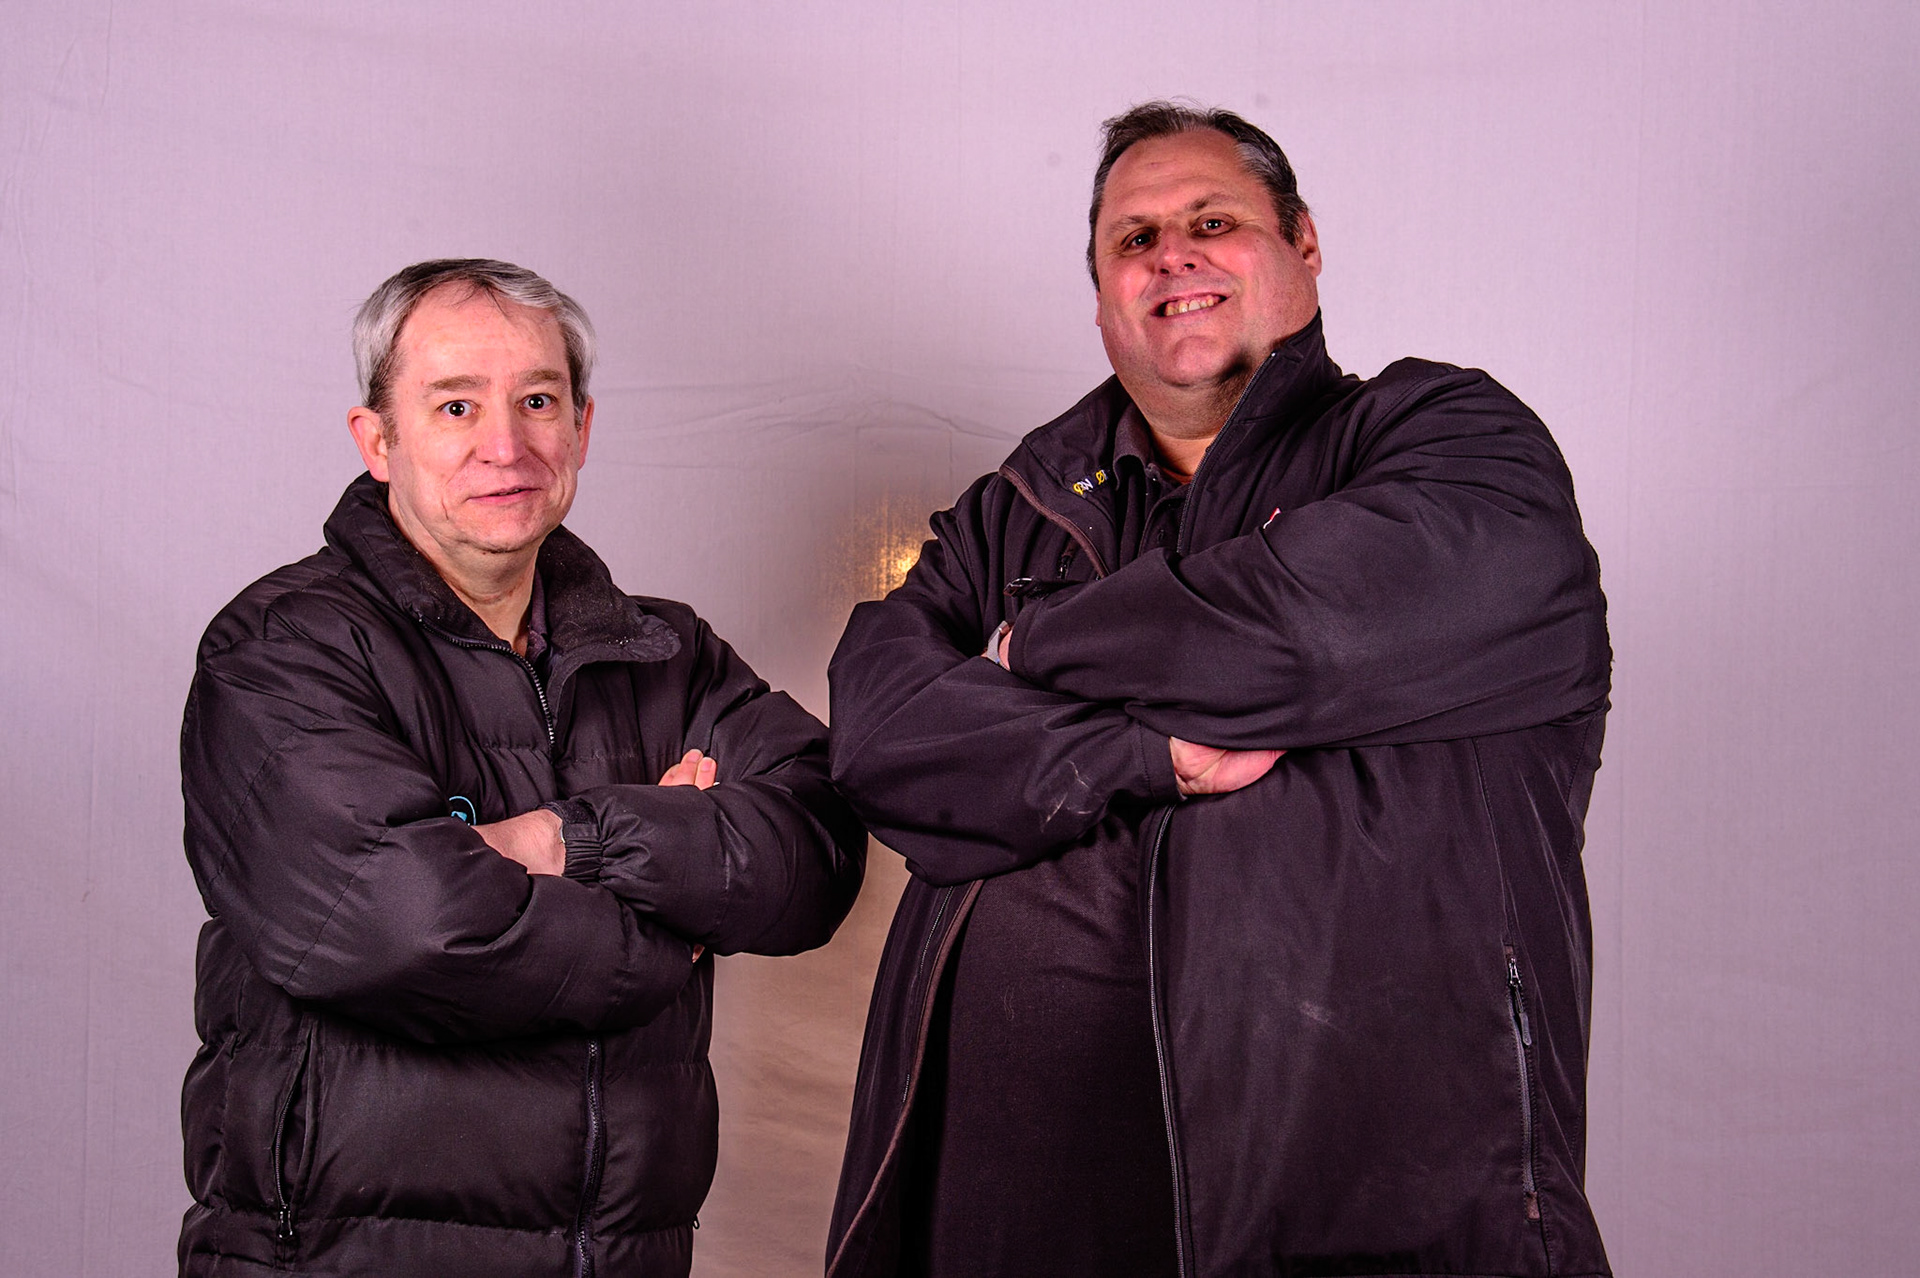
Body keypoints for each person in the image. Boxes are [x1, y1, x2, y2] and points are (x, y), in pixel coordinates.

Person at [826, 102, 1613, 1277]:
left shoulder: (1449, 439)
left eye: (1213, 221)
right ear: (1100, 295)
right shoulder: (1015, 507)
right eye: (1132, 240)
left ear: (1302, 241)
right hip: (1006, 1214)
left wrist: (1025, 653)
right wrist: (1153, 757)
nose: (1172, 257)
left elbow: (1305, 638)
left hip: (1367, 1196)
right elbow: (883, 739)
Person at [176, 259, 865, 1277]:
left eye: (537, 401)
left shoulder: (670, 656)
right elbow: (407, 926)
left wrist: (565, 839)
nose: (506, 446)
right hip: (339, 1260)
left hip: (616, 1256)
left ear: (582, 427)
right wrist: (669, 929)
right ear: (378, 440)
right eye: (456, 405)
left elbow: (816, 853)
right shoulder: (281, 651)